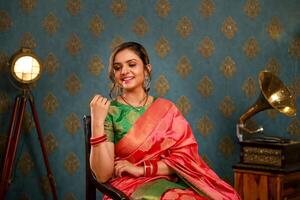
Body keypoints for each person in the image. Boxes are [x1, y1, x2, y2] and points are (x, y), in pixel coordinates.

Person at [89, 42, 240, 200]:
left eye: (132, 64)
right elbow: (102, 175)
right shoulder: (109, 111)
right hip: (127, 186)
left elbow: (184, 159)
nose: (124, 71)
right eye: (118, 67)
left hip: (164, 182)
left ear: (147, 69)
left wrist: (141, 169)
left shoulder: (167, 109)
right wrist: (97, 123)